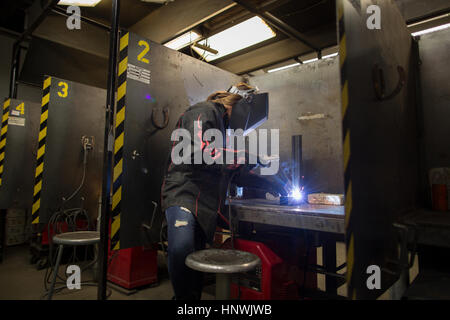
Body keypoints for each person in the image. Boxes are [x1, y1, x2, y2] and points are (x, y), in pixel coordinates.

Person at [161, 82, 263, 300]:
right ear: (237, 105)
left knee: (196, 257)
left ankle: (191, 301)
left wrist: (268, 181)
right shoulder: (203, 111)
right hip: (183, 193)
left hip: (204, 203)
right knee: (181, 250)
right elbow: (199, 151)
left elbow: (225, 167)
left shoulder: (221, 127)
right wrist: (243, 156)